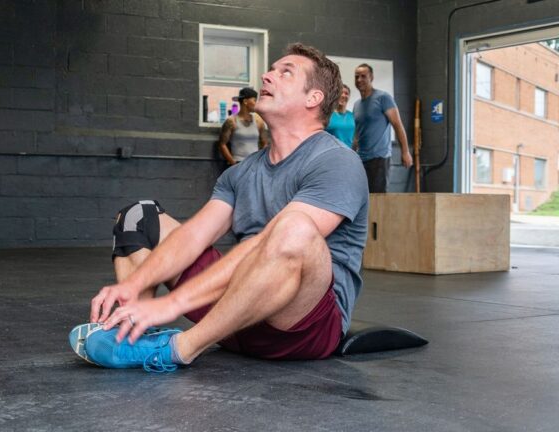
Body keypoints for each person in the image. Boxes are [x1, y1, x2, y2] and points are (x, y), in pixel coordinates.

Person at [69, 44, 369, 373]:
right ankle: (133, 331)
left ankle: (178, 349)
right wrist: (135, 283)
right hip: (234, 319)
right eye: (271, 69)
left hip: (299, 329)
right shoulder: (240, 173)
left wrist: (173, 303)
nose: (267, 76)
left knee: (294, 228)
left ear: (313, 98)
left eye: (286, 73)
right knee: (138, 216)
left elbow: (273, 241)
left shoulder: (337, 161)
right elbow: (193, 236)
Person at [353, 63, 412, 193]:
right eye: (357, 77)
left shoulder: (383, 98)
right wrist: (352, 154)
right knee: (362, 197)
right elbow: (357, 133)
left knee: (378, 199)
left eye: (363, 76)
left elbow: (397, 124)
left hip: (379, 158)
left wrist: (405, 152)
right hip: (361, 159)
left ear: (371, 77)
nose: (359, 80)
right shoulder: (357, 105)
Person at [217, 87, 269, 166]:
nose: (256, 103)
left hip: (254, 164)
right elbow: (222, 144)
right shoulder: (231, 121)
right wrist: (233, 163)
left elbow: (265, 143)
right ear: (245, 101)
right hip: (238, 162)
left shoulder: (258, 121)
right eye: (254, 100)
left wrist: (258, 162)